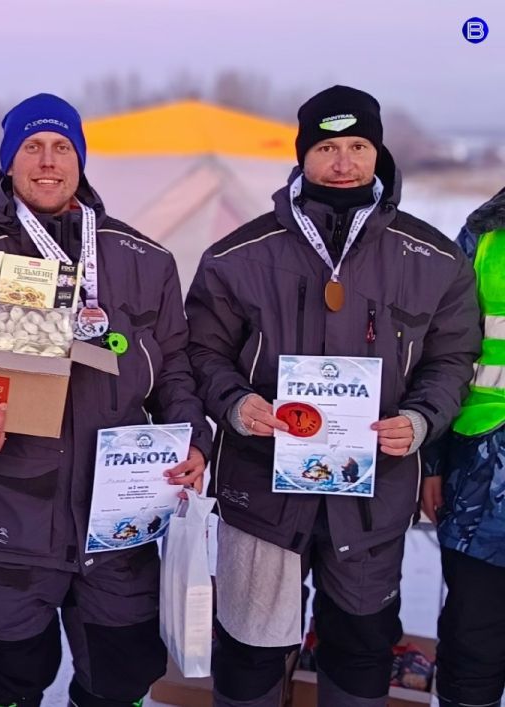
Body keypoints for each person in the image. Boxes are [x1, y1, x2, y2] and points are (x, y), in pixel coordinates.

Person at [184, 85, 481, 707]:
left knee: (362, 645)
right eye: (327, 147)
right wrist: (236, 405)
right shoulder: (239, 256)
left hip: (373, 498)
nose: (343, 161)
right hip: (262, 493)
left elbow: (452, 359)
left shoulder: (433, 259)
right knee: (248, 650)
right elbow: (202, 353)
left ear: (378, 151)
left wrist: (422, 420)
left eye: (358, 145)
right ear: (303, 155)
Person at [0, 93, 213, 707]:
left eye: (62, 147)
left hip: (118, 524)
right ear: (9, 162)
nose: (47, 161)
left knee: (121, 679)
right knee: (5, 685)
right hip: (7, 521)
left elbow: (177, 371)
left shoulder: (144, 259)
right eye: (32, 147)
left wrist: (194, 442)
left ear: (80, 159)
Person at [422, 186, 505, 707]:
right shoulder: (484, 234)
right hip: (480, 479)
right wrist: (430, 462)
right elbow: (442, 352)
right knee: (472, 641)